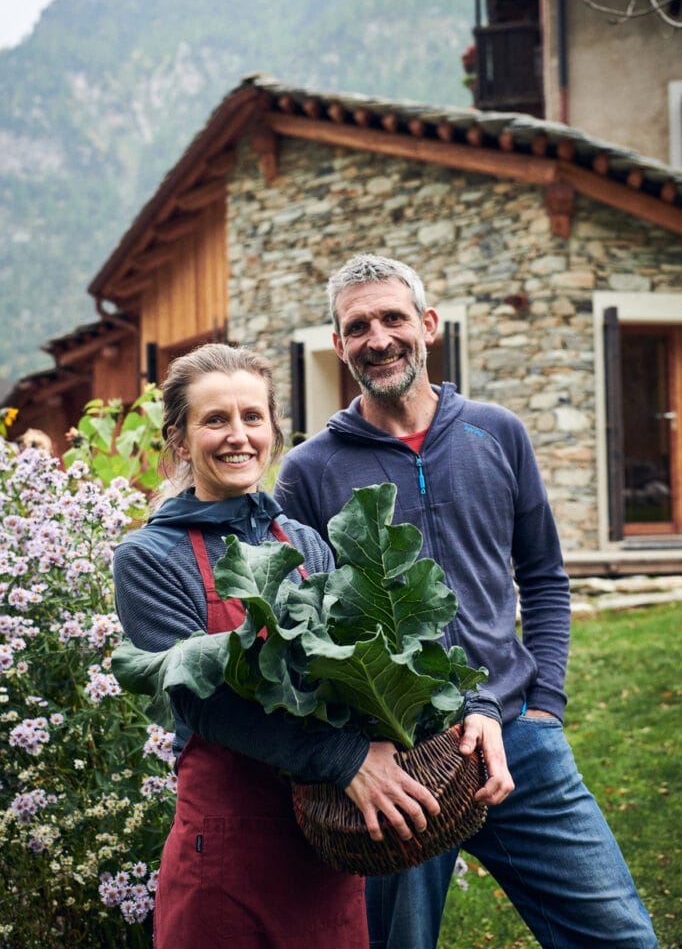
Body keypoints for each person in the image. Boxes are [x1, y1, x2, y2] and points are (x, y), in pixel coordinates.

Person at [274, 255, 658, 949]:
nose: (378, 339)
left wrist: (545, 707)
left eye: (393, 318)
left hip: (519, 737)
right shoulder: (309, 471)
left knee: (619, 937)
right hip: (398, 760)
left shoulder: (496, 432)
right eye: (357, 327)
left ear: (428, 325)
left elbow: (543, 576)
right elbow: (302, 625)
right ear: (338, 344)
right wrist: (356, 750)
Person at [113, 342, 446, 949]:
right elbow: (203, 705)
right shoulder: (149, 558)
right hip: (225, 856)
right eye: (215, 420)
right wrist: (344, 760)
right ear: (180, 440)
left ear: (272, 430)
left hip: (325, 844)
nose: (238, 436)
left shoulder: (304, 543)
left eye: (252, 417)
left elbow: (354, 665)